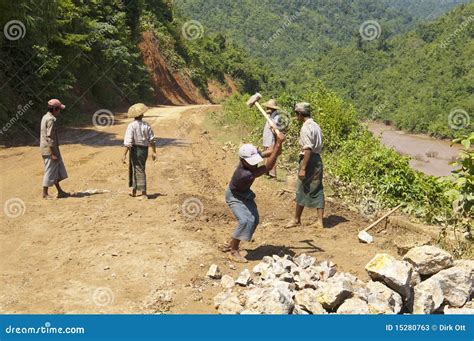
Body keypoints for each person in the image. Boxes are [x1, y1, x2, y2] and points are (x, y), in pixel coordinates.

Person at [223, 130, 285, 263]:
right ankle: (233, 251)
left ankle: (232, 242)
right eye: (250, 161)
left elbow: (275, 152)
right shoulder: (243, 174)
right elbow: (268, 166)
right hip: (234, 196)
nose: (253, 163)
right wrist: (278, 143)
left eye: (254, 160)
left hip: (245, 193)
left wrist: (276, 139)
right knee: (245, 220)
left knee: (255, 219)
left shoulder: (248, 160)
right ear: (242, 160)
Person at [286, 102, 325, 229]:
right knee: (318, 188)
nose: (296, 116)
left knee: (301, 188)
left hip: (309, 160)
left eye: (296, 114)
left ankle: (296, 219)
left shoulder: (305, 127)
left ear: (300, 114)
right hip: (317, 159)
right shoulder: (316, 126)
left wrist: (303, 168)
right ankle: (320, 221)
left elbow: (307, 149)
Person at [122, 103, 157, 198]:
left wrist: (124, 154)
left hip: (135, 150)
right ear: (142, 115)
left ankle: (144, 193)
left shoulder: (131, 126)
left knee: (138, 169)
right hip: (144, 150)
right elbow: (152, 140)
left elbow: (128, 142)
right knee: (139, 168)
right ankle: (134, 190)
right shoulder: (147, 125)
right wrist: (154, 152)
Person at [40, 99, 69, 199]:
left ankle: (60, 191)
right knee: (50, 170)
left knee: (55, 169)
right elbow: (50, 138)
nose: (59, 111)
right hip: (49, 149)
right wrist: (52, 153)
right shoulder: (51, 120)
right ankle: (45, 193)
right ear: (55, 109)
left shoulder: (45, 116)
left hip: (47, 148)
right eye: (59, 109)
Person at [262, 99, 283, 179]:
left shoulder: (277, 117)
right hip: (267, 139)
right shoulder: (269, 116)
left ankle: (272, 174)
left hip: (272, 140)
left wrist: (274, 127)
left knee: (272, 155)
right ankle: (266, 172)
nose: (267, 109)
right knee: (266, 155)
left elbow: (276, 128)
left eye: (268, 108)